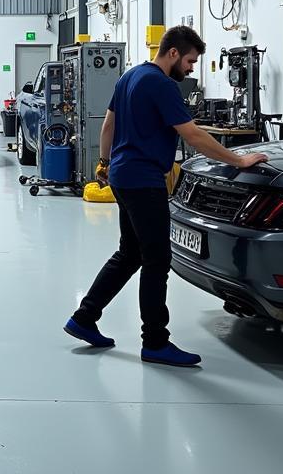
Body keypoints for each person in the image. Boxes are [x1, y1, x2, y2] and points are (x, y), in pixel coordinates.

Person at [64, 25, 268, 367]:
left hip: (121, 175)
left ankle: (84, 318)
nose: (190, 69)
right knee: (157, 260)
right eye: (189, 61)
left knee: (130, 254)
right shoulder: (160, 83)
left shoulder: (129, 77)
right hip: (144, 180)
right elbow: (193, 135)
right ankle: (155, 342)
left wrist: (103, 162)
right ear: (173, 53)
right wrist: (239, 159)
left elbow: (107, 126)